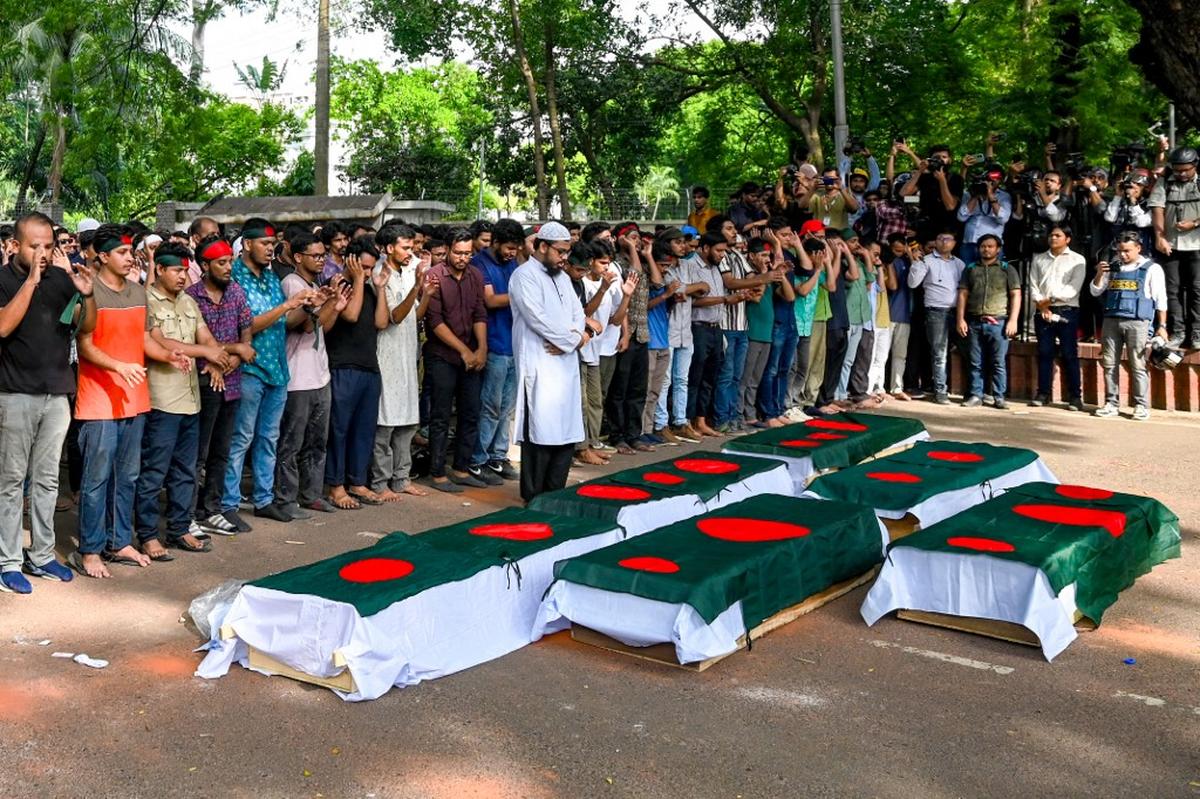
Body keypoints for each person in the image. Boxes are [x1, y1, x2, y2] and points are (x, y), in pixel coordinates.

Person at [74, 224, 190, 578]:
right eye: (122, 253)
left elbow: (142, 339)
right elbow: (84, 346)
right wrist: (119, 366)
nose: (130, 258)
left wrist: (169, 355)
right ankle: (90, 550)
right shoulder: (87, 292)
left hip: (134, 399)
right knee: (96, 479)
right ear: (103, 256)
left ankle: (119, 541)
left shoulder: (139, 292)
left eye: (130, 252)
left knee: (128, 476)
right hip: (98, 400)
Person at [0, 213, 95, 592]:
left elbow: (85, 327)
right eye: (34, 245)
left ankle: (40, 556)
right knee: (10, 482)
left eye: (48, 246)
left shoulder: (61, 279)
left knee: (47, 480)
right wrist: (32, 281)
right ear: (15, 246)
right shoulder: (4, 279)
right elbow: (4, 326)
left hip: (57, 392)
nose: (42, 253)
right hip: (14, 394)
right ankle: (7, 561)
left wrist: (86, 296)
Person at [135, 244, 231, 560]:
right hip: (162, 400)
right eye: (176, 270)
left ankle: (179, 529)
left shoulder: (189, 300)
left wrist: (215, 357)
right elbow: (160, 341)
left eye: (184, 270)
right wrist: (208, 354)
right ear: (159, 269)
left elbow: (205, 337)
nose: (181, 276)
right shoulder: (146, 299)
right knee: (154, 471)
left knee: (186, 470)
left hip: (191, 399)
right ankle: (147, 535)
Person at [222, 219, 319, 530]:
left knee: (269, 438)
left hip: (277, 369)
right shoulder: (234, 276)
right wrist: (288, 305)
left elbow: (288, 321)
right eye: (264, 244)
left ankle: (264, 500)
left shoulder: (270, 276)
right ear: (247, 244)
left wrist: (311, 304)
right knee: (241, 438)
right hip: (249, 369)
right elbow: (247, 324)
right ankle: (228, 503)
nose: (270, 249)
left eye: (272, 244)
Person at [509, 221, 599, 502]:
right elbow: (539, 320)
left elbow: (577, 314)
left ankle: (556, 493)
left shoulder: (562, 278)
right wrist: (575, 338)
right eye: (560, 251)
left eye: (566, 252)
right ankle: (534, 497)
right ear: (542, 246)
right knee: (540, 431)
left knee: (565, 430)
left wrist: (576, 338)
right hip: (540, 364)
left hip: (566, 363)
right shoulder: (524, 277)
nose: (564, 258)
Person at [186, 236, 256, 536]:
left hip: (232, 382)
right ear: (205, 265)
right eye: (221, 263)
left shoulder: (237, 293)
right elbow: (188, 343)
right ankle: (186, 513)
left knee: (221, 450)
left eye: (230, 261)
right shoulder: (191, 297)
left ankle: (211, 509)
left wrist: (236, 357)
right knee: (196, 453)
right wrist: (231, 352)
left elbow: (247, 332)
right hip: (202, 381)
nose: (229, 268)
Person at [274, 231, 344, 517]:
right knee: (292, 443)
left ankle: (311, 494)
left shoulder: (315, 284)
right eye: (315, 256)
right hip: (298, 377)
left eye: (323, 255)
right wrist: (322, 301)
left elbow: (321, 328)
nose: (321, 260)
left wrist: (334, 304)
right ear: (298, 257)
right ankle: (286, 498)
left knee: (317, 441)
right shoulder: (293, 283)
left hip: (319, 374)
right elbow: (303, 326)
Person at [324, 237, 388, 508]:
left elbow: (381, 322)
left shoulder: (371, 289)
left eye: (371, 268)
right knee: (339, 430)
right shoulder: (340, 286)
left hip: (369, 367)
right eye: (362, 266)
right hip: (343, 367)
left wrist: (381, 288)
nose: (367, 272)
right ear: (350, 262)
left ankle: (357, 482)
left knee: (363, 430)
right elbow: (350, 315)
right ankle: (336, 486)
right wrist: (358, 279)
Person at [424, 227, 489, 493]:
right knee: (440, 416)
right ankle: (437, 473)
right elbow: (435, 321)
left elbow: (479, 313)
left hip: (472, 354)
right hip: (443, 356)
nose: (463, 258)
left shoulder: (475, 274)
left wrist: (482, 348)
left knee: (471, 412)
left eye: (468, 253)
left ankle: (462, 468)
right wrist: (464, 350)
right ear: (448, 250)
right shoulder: (435, 276)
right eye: (458, 253)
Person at [372, 224, 427, 500]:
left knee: (406, 422)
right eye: (406, 247)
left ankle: (401, 477)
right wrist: (417, 287)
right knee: (385, 424)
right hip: (386, 356)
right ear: (389, 248)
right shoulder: (380, 274)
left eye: (412, 247)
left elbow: (414, 316)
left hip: (407, 354)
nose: (411, 252)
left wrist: (426, 291)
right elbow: (393, 316)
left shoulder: (407, 272)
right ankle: (380, 482)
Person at [1090, 231, 1168, 420]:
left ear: (1138, 248)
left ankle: (1141, 405)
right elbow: (1095, 291)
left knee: (1138, 364)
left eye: (1127, 251)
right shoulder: (1113, 267)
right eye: (1119, 251)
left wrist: (1162, 325)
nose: (1123, 255)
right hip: (1111, 320)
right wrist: (1100, 273)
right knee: (1109, 364)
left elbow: (1161, 299)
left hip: (1138, 322)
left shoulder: (1151, 268)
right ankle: (1111, 403)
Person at [470, 219, 525, 483]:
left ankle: (498, 456)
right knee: (490, 406)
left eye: (516, 248)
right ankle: (478, 459)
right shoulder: (480, 264)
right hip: (494, 344)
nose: (512, 252)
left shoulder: (512, 264)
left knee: (507, 407)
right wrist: (524, 295)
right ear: (495, 242)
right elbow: (490, 300)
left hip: (513, 344)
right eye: (509, 247)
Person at [955, 234, 1021, 409]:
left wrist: (1013, 320)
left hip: (998, 321)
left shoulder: (1007, 269)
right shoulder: (970, 269)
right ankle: (976, 395)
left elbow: (1016, 294)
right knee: (975, 361)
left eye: (990, 246)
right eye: (983, 246)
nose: (986, 249)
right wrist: (960, 319)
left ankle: (999, 396)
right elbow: (962, 294)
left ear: (998, 249)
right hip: (974, 320)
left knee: (998, 362)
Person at [1028, 225, 1086, 409]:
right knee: (1045, 353)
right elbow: (1033, 286)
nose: (1053, 238)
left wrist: (1049, 300)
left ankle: (1075, 396)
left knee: (1070, 354)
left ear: (1067, 239)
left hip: (1066, 310)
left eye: (1058, 235)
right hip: (1042, 312)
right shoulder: (1039, 259)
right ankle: (1043, 393)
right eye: (1051, 235)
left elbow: (1072, 289)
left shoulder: (1077, 260)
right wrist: (1042, 305)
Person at [686, 233, 737, 436]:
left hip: (716, 328)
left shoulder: (716, 268)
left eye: (724, 251)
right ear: (705, 248)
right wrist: (724, 300)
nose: (722, 255)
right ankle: (687, 421)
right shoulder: (692, 266)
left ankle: (701, 420)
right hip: (698, 327)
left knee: (710, 377)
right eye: (718, 250)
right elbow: (692, 301)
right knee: (694, 377)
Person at [1149, 146, 1200, 349]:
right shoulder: (1165, 182)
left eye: (1185, 170)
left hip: (1197, 243)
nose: (1180, 173)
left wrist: (1194, 223)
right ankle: (1178, 331)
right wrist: (1159, 237)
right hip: (1171, 244)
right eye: (1177, 170)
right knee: (1172, 289)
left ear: (1195, 166)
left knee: (1197, 289)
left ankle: (1197, 332)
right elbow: (1157, 208)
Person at [908, 230, 965, 404]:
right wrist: (915, 263)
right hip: (935, 312)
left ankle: (968, 390)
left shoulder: (960, 263)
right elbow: (913, 283)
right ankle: (941, 391)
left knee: (962, 350)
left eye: (947, 239)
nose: (943, 242)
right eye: (939, 238)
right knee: (939, 353)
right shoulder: (926, 261)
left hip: (957, 312)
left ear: (954, 243)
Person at [899, 143, 965, 241]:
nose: (940, 159)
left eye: (944, 157)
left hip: (947, 231)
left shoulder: (956, 178)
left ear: (949, 160)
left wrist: (942, 180)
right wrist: (920, 171)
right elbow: (903, 194)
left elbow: (950, 206)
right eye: (936, 157)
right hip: (925, 230)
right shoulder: (926, 177)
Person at [956, 165, 1012, 265]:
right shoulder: (969, 194)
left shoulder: (1004, 196)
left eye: (996, 179)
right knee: (967, 276)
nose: (992, 181)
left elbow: (1003, 219)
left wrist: (991, 196)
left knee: (992, 276)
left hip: (992, 246)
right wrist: (975, 196)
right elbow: (961, 217)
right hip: (969, 243)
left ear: (1001, 180)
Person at [884, 233, 914, 399]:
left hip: (904, 315)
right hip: (887, 314)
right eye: (896, 249)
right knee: (881, 355)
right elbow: (893, 286)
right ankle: (878, 388)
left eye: (903, 249)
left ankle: (896, 387)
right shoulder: (886, 263)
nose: (900, 252)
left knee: (900, 355)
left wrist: (911, 257)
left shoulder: (909, 263)